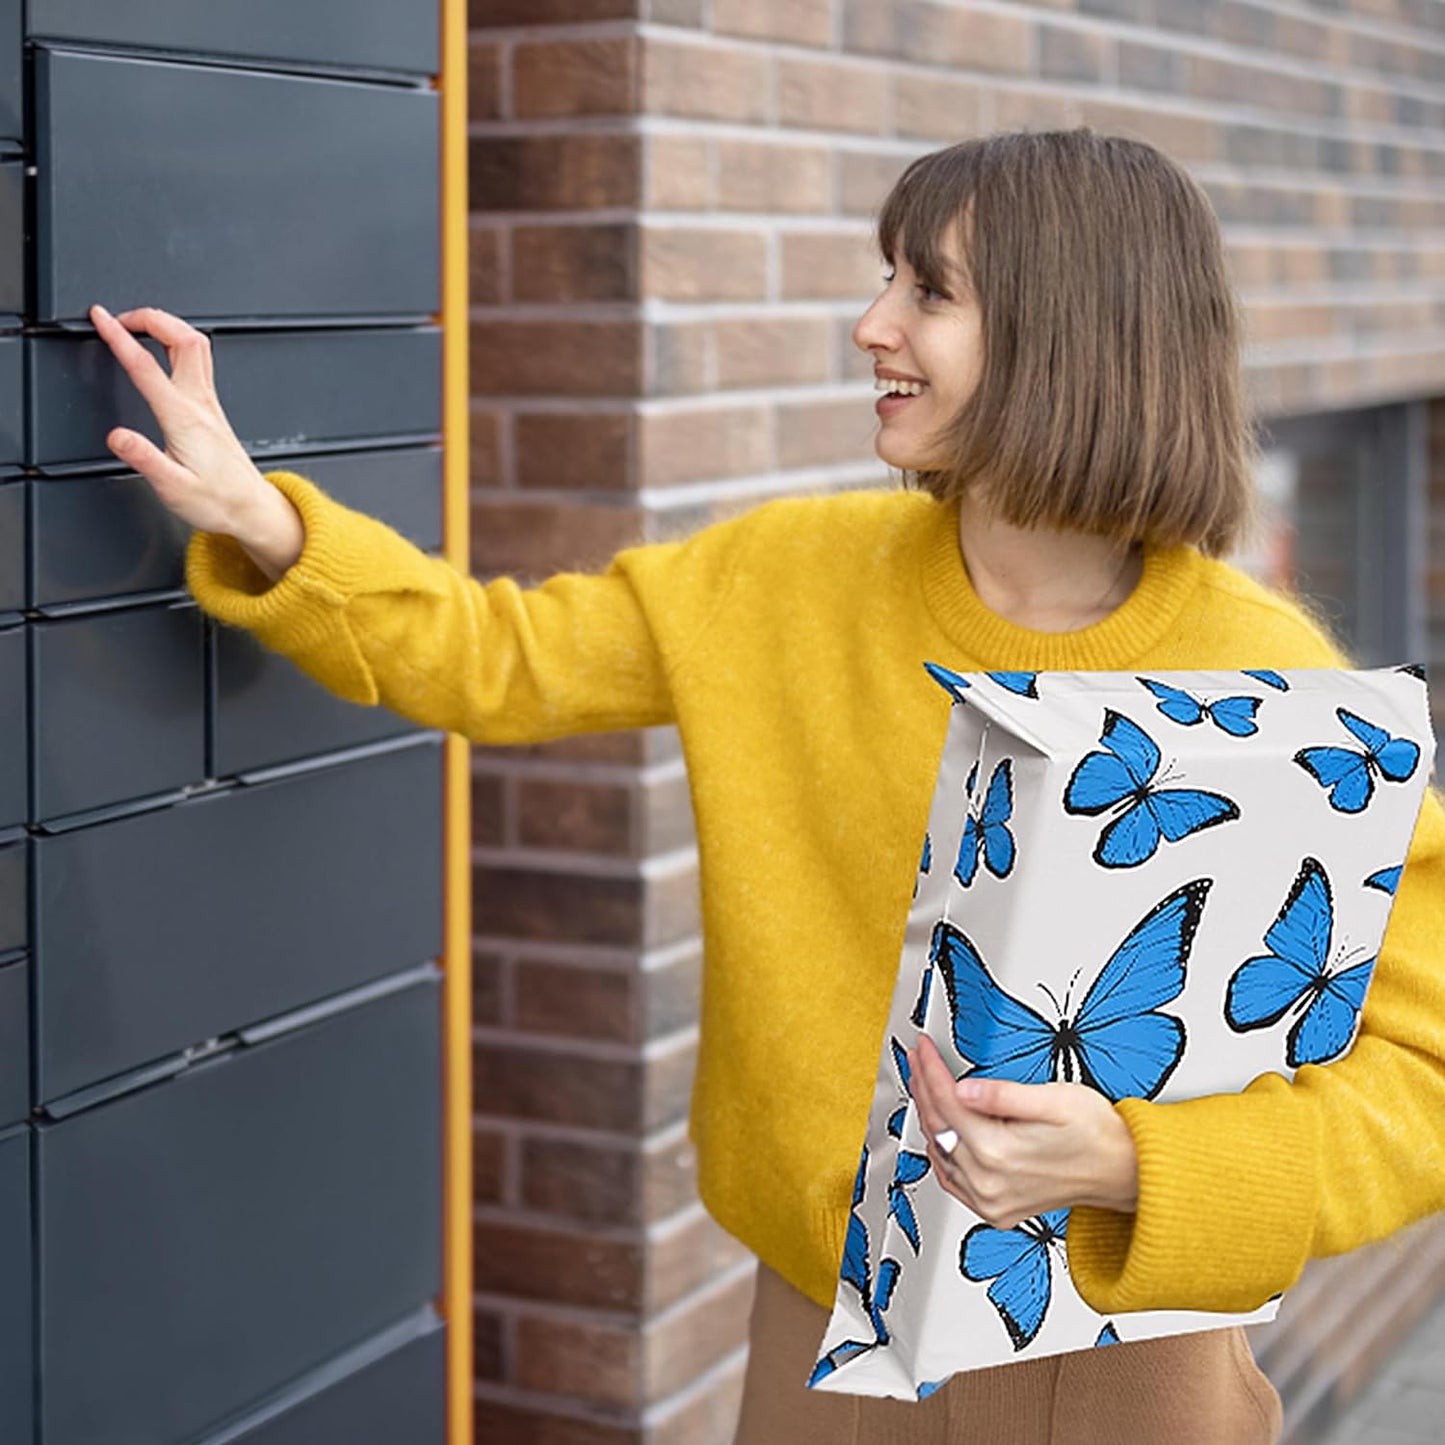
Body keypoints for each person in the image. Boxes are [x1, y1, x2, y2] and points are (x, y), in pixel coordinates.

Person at [88, 128, 1445, 1445]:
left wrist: (1137, 1162)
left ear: (1072, 333)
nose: (871, 324)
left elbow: (1423, 1077)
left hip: (1123, 1363)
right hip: (819, 1338)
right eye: (883, 278)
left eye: (928, 289)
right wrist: (266, 518)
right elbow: (492, 657)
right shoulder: (782, 578)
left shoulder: (1277, 686)